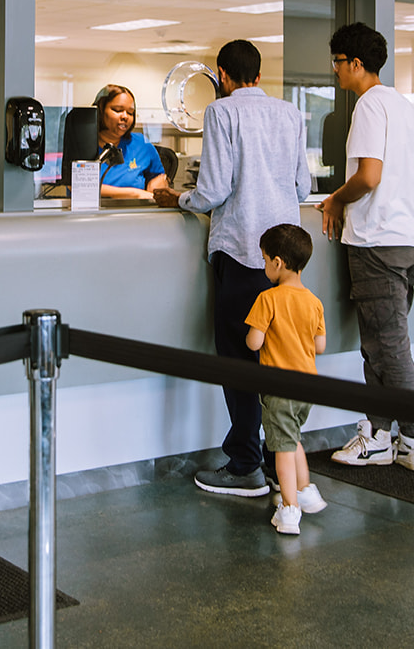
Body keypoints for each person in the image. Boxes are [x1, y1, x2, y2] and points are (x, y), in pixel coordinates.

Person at [154, 40, 311, 497]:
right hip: (282, 256)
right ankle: (272, 457)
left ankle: (245, 466)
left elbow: (214, 189)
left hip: (241, 249)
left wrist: (178, 198)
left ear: (222, 75)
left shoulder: (221, 113)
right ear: (259, 76)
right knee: (276, 359)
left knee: (239, 360)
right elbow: (303, 185)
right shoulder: (289, 114)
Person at [319, 23, 414, 472]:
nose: (334, 71)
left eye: (336, 62)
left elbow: (369, 176)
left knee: (390, 347)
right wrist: (402, 201)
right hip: (405, 241)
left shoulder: (369, 106)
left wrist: (335, 199)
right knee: (376, 344)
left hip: (377, 244)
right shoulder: (403, 106)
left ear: (354, 64)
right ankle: (378, 436)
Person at [245, 223, 327, 535]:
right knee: (292, 440)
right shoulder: (314, 301)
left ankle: (290, 509)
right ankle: (306, 490)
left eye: (265, 259)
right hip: (308, 385)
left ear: (278, 262)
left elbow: (254, 342)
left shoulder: (268, 299)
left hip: (278, 388)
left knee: (280, 449)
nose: (264, 265)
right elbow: (319, 346)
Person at [92, 83, 170, 200]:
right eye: (118, 110)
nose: (125, 116)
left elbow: (159, 179)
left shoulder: (142, 144)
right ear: (101, 110)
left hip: (134, 214)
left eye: (130, 113)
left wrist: (160, 183)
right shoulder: (82, 144)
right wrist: (136, 194)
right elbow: (77, 187)